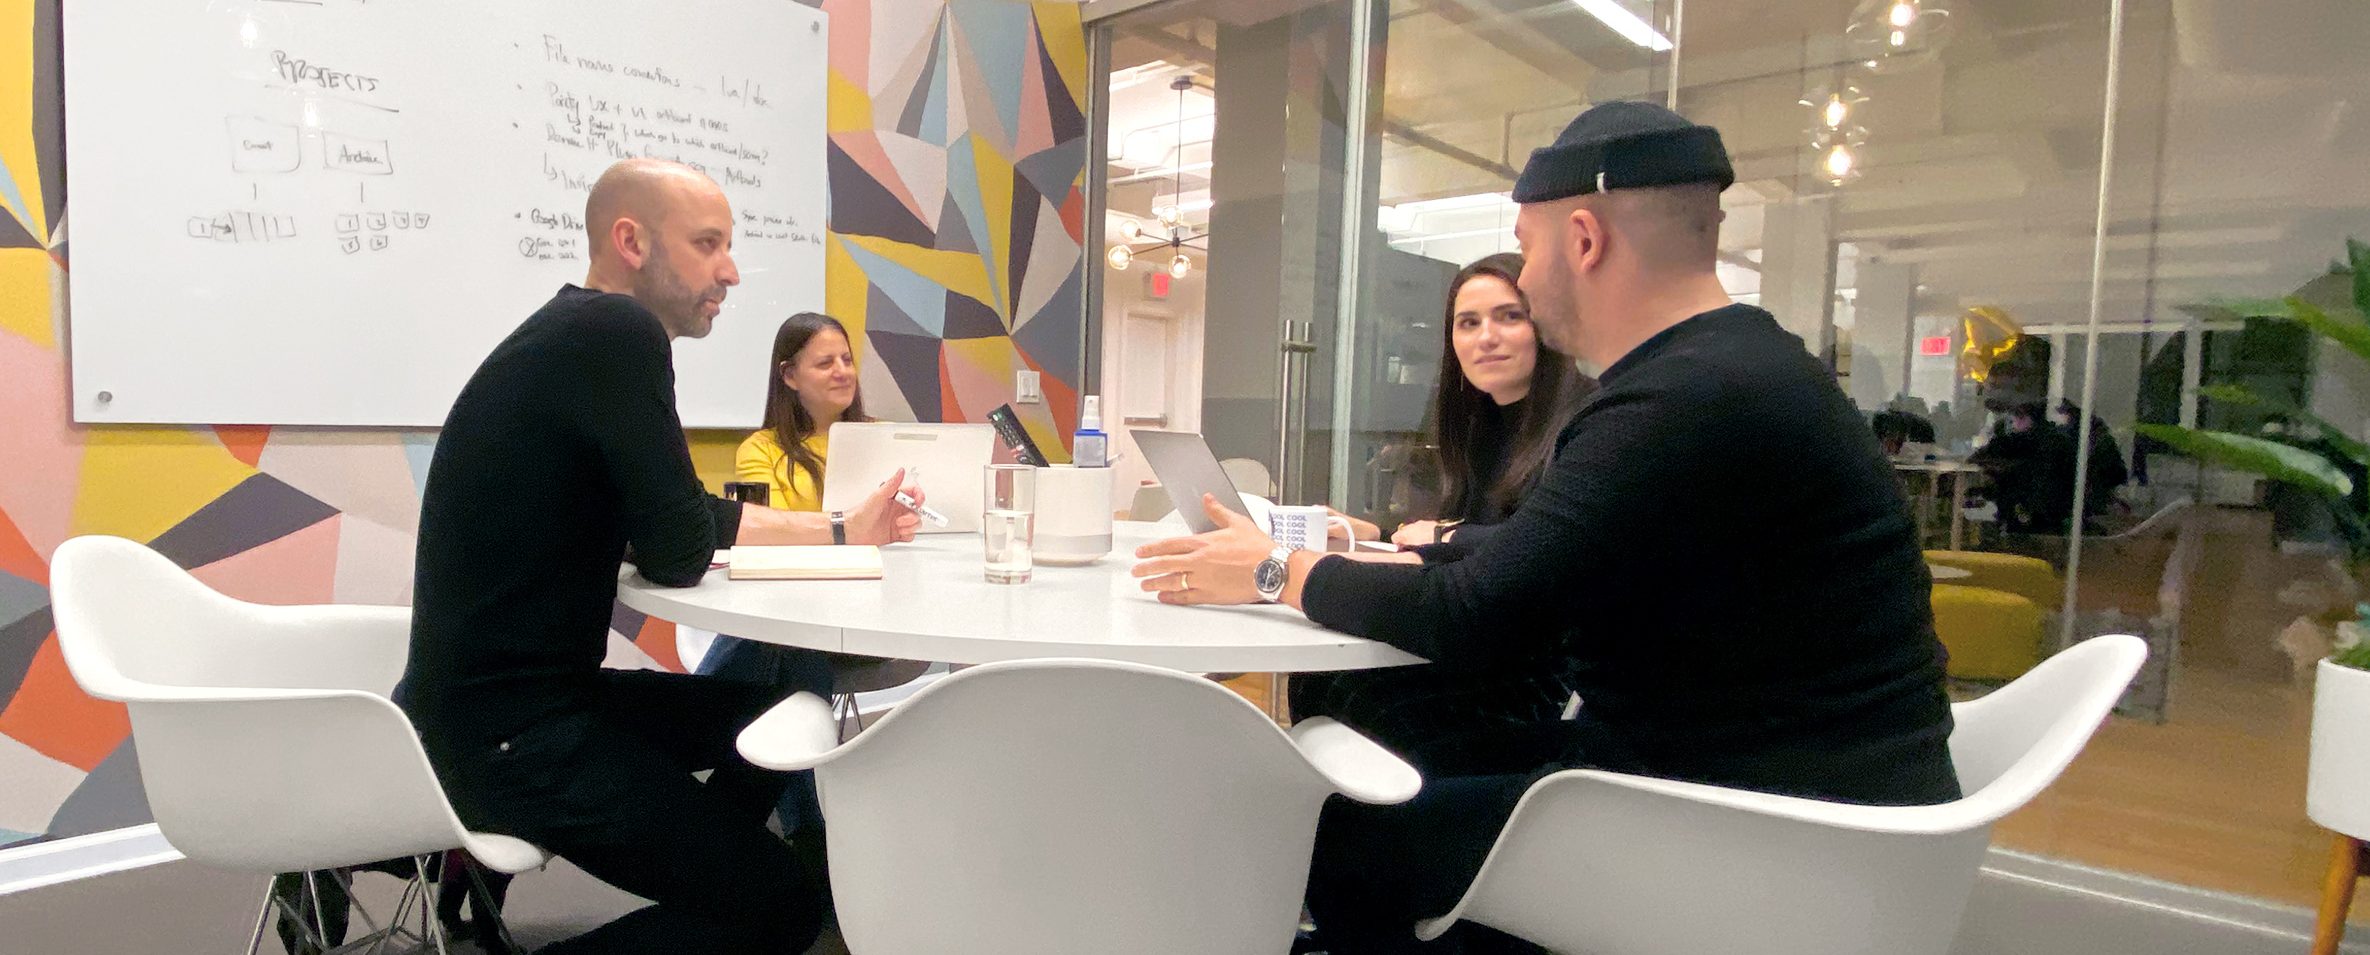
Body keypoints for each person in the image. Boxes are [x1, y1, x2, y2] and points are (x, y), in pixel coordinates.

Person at [1131, 102, 1958, 953]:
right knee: (1397, 754)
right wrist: (1410, 547)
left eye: (1527, 245)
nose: (1522, 275)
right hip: (1782, 788)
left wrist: (1278, 570)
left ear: (1585, 239)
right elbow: (1545, 549)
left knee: (1339, 829)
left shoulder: (1678, 401)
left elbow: (1472, 613)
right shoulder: (1739, 369)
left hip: (1759, 832)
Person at [401, 158, 923, 955]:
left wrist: (848, 529)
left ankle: (711, 865)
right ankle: (732, 883)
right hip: (512, 733)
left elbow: (675, 525)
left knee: (784, 713)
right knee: (787, 907)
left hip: (527, 703)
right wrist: (826, 530)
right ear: (630, 241)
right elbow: (681, 546)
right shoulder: (616, 332)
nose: (731, 271)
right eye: (709, 243)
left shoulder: (576, 336)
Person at [1334, 253, 1593, 549]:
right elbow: (1480, 539)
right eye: (1469, 322)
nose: (1486, 337)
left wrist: (1445, 536)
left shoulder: (1591, 423)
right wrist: (1377, 534)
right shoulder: (1479, 426)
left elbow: (1555, 546)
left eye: (1510, 316)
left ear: (1546, 327)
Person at [1972, 401, 2078, 533]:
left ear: (2027, 419)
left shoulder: (2025, 440)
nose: (2014, 423)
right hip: (2056, 506)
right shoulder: (2058, 439)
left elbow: (1985, 454)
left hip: (2029, 504)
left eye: (2017, 418)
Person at [2055, 400, 2129, 520]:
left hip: (2092, 484)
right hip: (2093, 484)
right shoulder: (2091, 433)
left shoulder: (2084, 435)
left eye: (2065, 415)